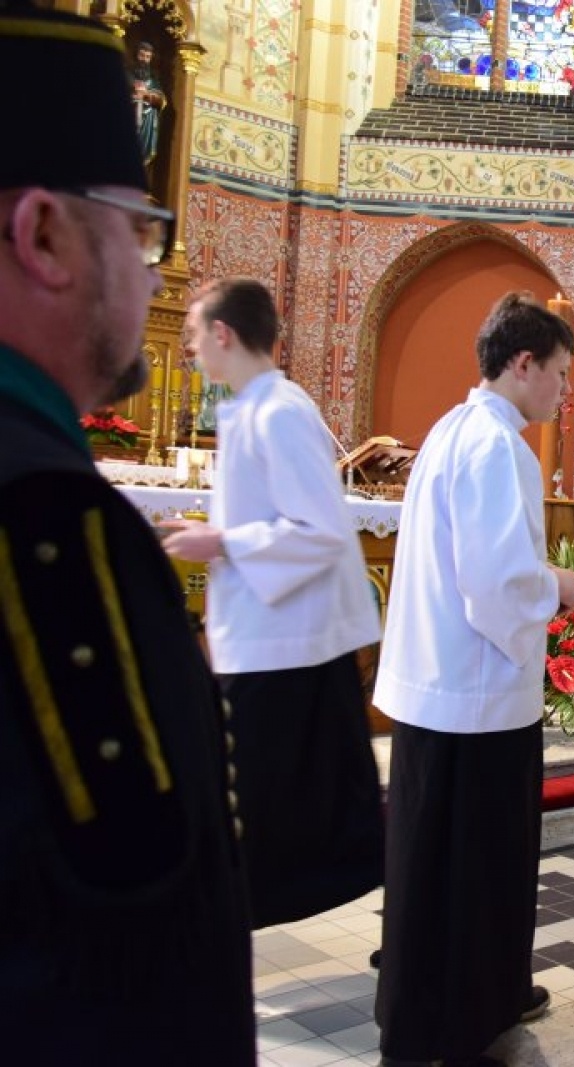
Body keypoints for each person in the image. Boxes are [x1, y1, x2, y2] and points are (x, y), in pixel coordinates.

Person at [0, 5, 253, 1061]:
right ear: (46, 235)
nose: (155, 270)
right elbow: (135, 960)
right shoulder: (52, 528)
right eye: (140, 229)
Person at [372, 293, 574, 1066]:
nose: (563, 390)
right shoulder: (500, 448)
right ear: (522, 363)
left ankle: (425, 1005)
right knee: (475, 866)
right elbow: (495, 584)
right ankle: (465, 1011)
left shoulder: (448, 430)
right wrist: (557, 585)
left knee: (429, 866)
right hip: (479, 697)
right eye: (559, 372)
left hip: (440, 690)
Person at [162, 278, 385, 928]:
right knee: (265, 818)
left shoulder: (280, 411)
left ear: (224, 334)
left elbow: (317, 529)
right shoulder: (255, 408)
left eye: (196, 336)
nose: (193, 351)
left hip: (287, 649)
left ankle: (228, 938)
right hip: (267, 641)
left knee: (273, 817)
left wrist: (220, 541)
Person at [129, 40, 166, 170]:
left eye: (148, 57)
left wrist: (147, 96)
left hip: (147, 122)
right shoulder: (127, 76)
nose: (144, 59)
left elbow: (162, 101)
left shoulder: (153, 82)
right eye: (142, 55)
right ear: (136, 55)